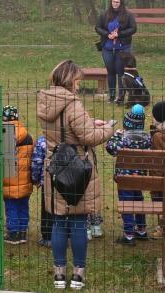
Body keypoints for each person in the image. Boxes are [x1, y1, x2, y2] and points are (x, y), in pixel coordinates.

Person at [37, 60, 114, 290]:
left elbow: (69, 130)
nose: (79, 85)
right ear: (70, 79)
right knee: (79, 220)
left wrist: (91, 123)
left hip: (55, 166)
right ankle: (78, 273)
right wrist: (108, 128)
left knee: (59, 219)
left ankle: (59, 273)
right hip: (77, 167)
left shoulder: (46, 101)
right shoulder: (72, 104)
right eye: (78, 80)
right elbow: (88, 137)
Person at [106, 104, 152, 245]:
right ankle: (141, 229)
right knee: (138, 201)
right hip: (139, 179)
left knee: (127, 204)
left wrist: (116, 135)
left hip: (125, 179)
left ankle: (129, 234)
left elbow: (111, 148)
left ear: (127, 124)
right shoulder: (147, 140)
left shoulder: (123, 139)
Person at [95, 0, 137, 104]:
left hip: (123, 48)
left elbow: (133, 28)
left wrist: (119, 34)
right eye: (113, 2)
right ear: (111, 2)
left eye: (117, 2)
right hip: (107, 47)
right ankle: (112, 95)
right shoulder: (104, 14)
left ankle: (121, 97)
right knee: (110, 71)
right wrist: (107, 34)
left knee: (121, 72)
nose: (115, 4)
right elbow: (97, 27)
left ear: (121, 3)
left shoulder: (128, 15)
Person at [2, 105, 34, 245]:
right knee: (23, 206)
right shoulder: (28, 136)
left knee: (11, 207)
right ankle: (23, 232)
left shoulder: (3, 136)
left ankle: (13, 233)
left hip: (9, 179)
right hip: (25, 179)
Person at [31, 134, 52, 247]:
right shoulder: (70, 136)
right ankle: (65, 235)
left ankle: (48, 237)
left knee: (48, 208)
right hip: (69, 180)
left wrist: (35, 178)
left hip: (48, 180)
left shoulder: (43, 140)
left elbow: (37, 161)